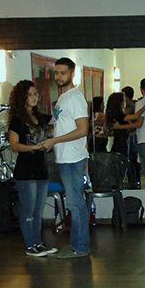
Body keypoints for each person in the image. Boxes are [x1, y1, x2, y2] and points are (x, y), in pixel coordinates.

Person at [45, 57, 90, 259]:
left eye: (63, 72)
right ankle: (77, 245)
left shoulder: (75, 98)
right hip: (65, 157)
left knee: (76, 203)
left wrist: (55, 140)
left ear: (72, 73)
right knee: (74, 203)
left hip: (73, 158)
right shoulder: (63, 98)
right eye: (56, 72)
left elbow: (83, 130)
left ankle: (80, 247)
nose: (59, 76)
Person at [7, 79, 56, 257]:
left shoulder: (42, 118)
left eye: (36, 94)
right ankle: (30, 245)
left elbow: (57, 125)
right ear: (22, 97)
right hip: (26, 171)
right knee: (28, 209)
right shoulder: (17, 121)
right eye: (30, 94)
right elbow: (14, 145)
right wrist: (33, 147)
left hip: (42, 169)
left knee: (38, 210)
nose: (34, 97)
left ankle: (38, 242)